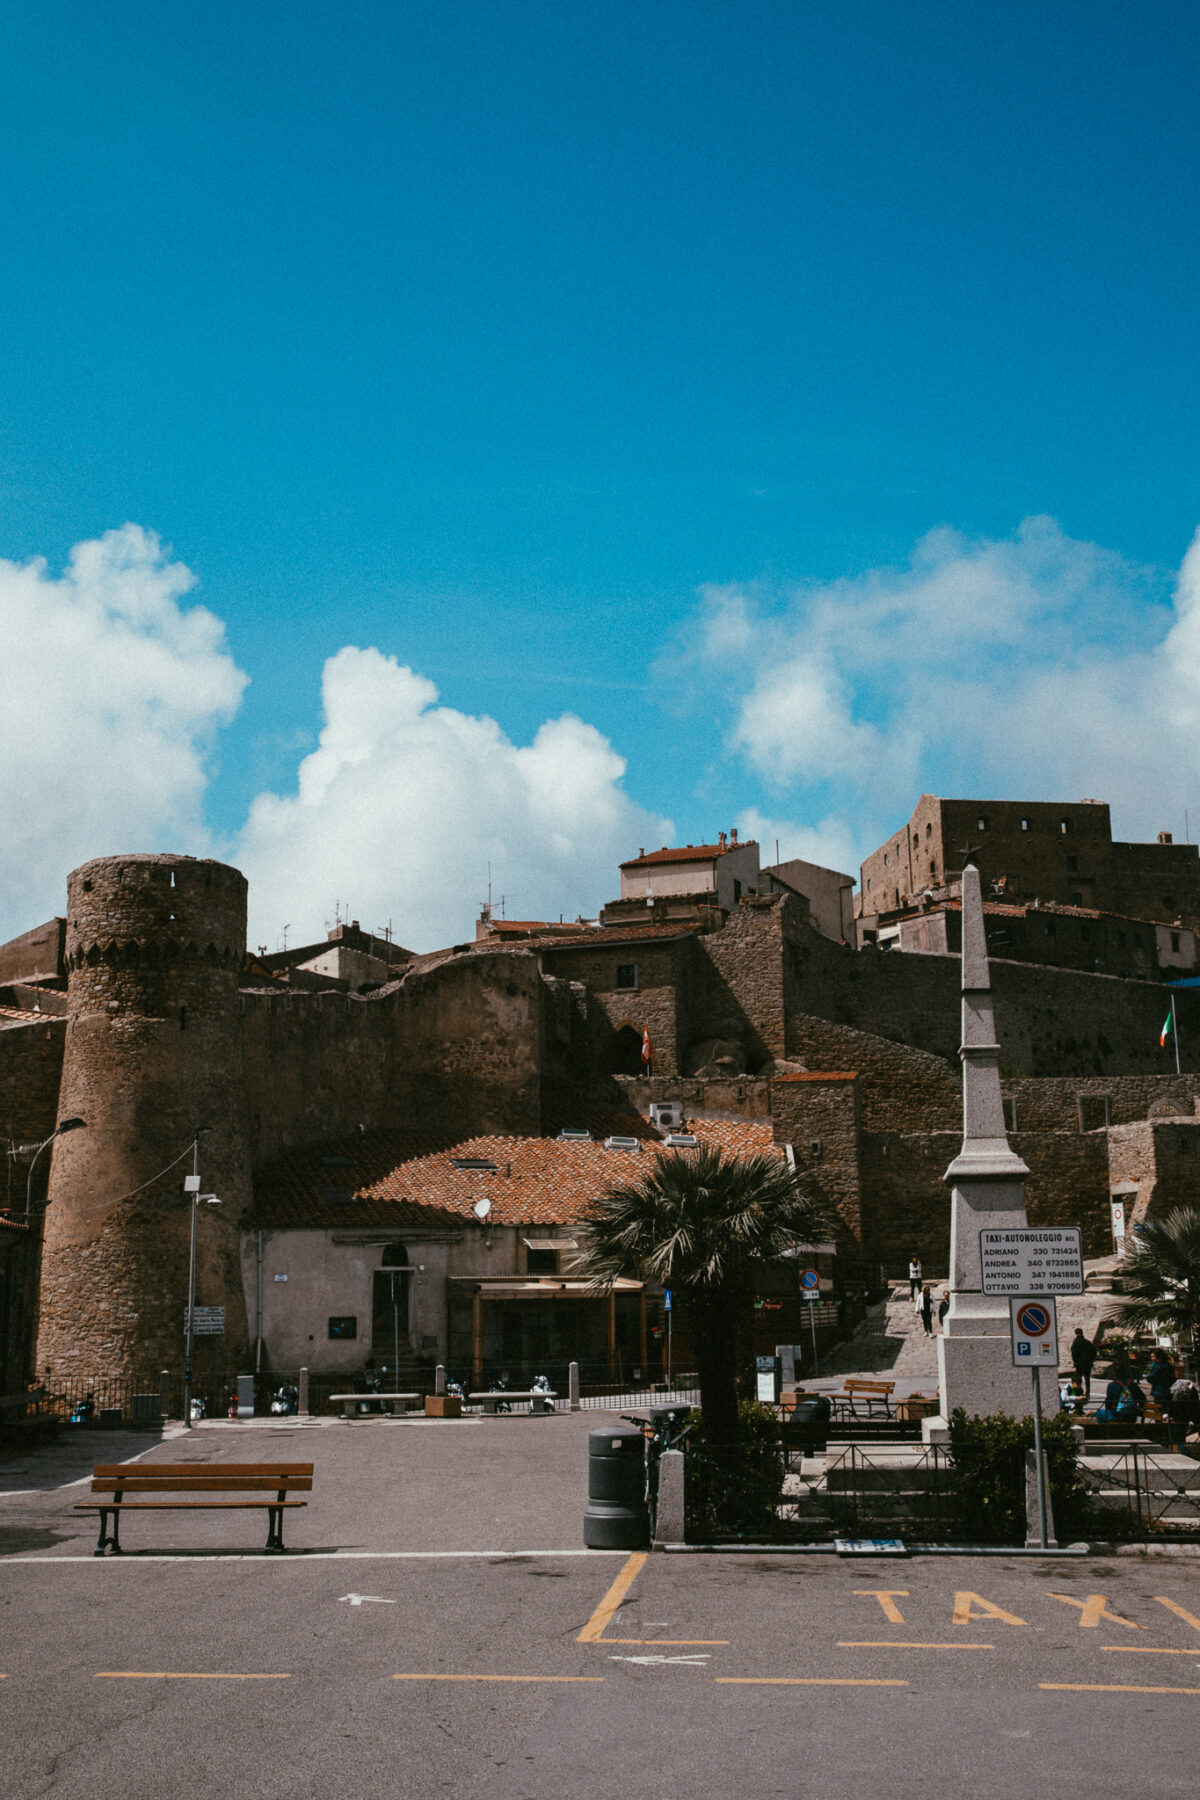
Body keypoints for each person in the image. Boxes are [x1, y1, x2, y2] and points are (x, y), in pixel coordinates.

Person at [1070, 1327, 1098, 1401]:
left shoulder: (1076, 1342)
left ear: (1076, 1333)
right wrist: (1091, 1360)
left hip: (1079, 1364)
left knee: (1078, 1378)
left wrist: (1075, 1362)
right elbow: (1094, 1351)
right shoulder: (1087, 1342)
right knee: (1087, 1378)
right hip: (1088, 1363)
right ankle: (1087, 1392)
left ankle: (1078, 1391)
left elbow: (1074, 1353)